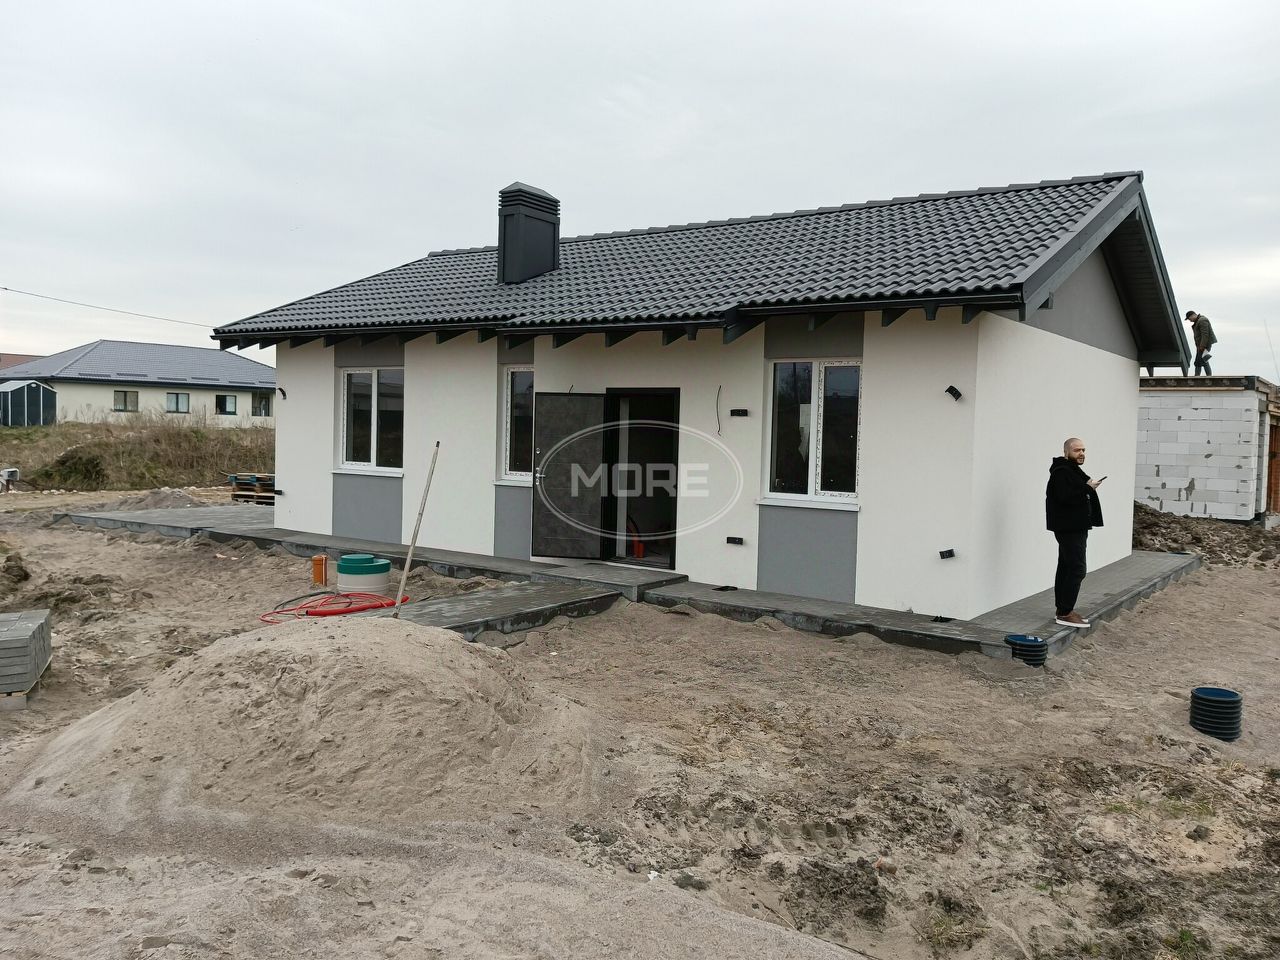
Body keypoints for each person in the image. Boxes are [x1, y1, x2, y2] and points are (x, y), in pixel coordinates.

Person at [1045, 437, 1104, 628]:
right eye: (1077, 450)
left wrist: (1088, 486)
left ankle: (1063, 609)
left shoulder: (1071, 470)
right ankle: (1065, 613)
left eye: (1083, 450)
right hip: (1068, 527)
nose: (1082, 454)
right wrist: (1088, 488)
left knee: (1065, 566)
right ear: (1066, 452)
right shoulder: (1061, 472)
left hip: (1074, 526)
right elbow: (1064, 497)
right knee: (1077, 568)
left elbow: (1075, 492)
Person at [1185, 310, 1217, 375]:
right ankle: (1200, 376)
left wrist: (1202, 346)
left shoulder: (1202, 320)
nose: (1190, 320)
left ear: (1193, 315)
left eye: (1189, 318)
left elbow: (1205, 334)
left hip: (1204, 345)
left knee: (1201, 361)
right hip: (1201, 345)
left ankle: (1205, 377)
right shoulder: (1198, 321)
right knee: (1200, 361)